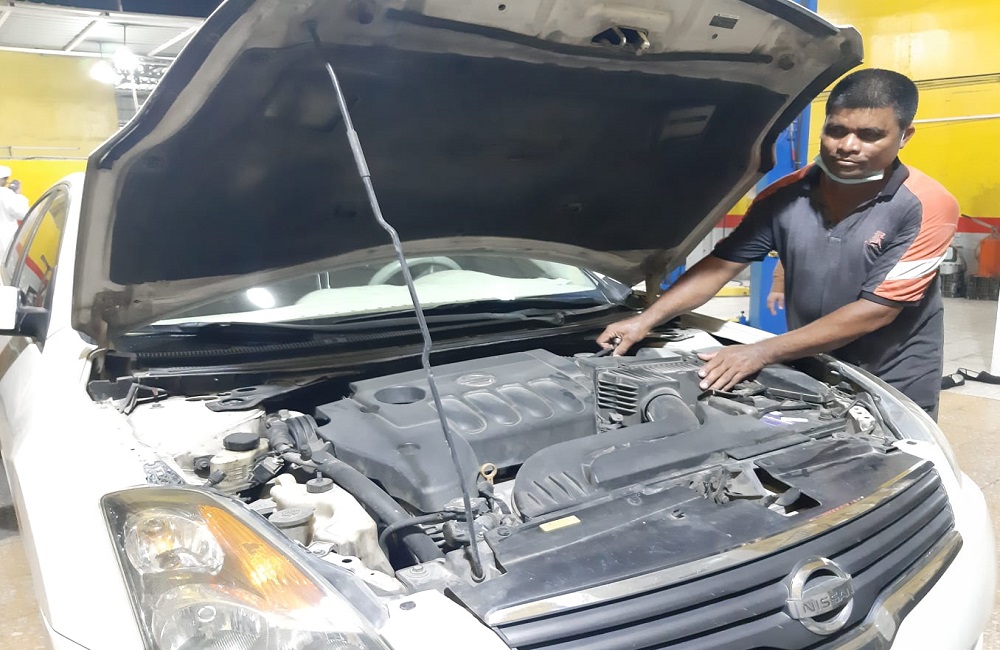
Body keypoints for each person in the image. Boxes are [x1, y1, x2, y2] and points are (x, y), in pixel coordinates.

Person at [597, 68, 959, 418]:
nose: (848, 146)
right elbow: (720, 266)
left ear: (905, 135)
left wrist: (760, 352)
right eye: (836, 130)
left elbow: (876, 310)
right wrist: (645, 320)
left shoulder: (926, 205)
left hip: (894, 372)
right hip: (813, 355)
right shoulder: (782, 197)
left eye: (870, 135)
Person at [0, 167, 28, 256]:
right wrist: (18, 195)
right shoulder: (5, 194)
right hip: (4, 242)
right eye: (5, 179)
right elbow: (23, 213)